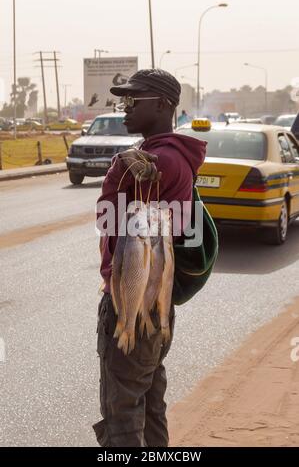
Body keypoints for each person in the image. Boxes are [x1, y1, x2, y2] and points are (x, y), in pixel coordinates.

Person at [93, 69, 207, 447]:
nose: (123, 108)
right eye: (121, 100)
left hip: (132, 300)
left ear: (161, 104)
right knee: (149, 402)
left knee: (122, 412)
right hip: (155, 299)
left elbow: (106, 216)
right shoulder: (172, 156)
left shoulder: (157, 160)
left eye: (131, 100)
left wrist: (116, 173)